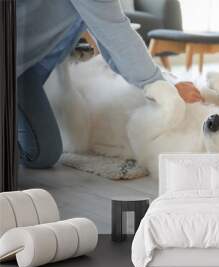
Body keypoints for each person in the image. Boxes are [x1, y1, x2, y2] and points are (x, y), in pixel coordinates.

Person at [16, 0, 202, 169]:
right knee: (41, 153)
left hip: (28, 70)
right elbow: (118, 35)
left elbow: (109, 38)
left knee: (44, 148)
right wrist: (163, 88)